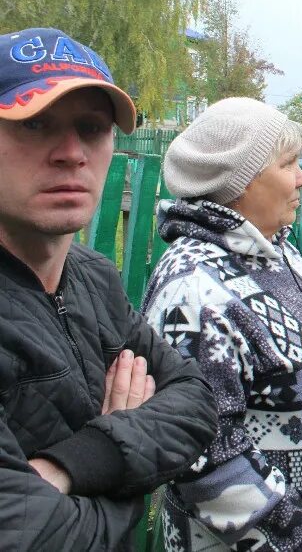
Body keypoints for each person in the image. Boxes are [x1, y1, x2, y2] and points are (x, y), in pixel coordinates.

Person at [0, 27, 217, 549]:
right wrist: (132, 480)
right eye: (35, 123)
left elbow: (196, 401)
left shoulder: (94, 276)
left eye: (92, 128)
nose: (72, 153)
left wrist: (73, 465)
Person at [143, 97, 302, 551]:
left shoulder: (277, 252)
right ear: (238, 182)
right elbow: (203, 456)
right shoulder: (196, 289)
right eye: (289, 164)